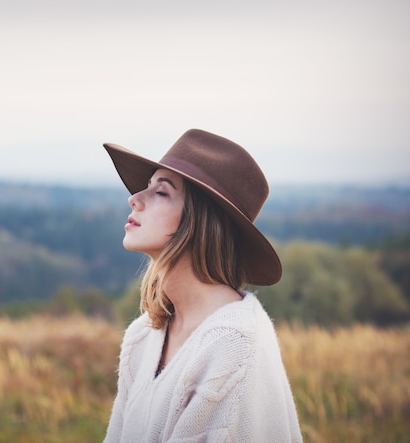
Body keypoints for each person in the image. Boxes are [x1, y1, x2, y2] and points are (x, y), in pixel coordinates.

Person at [102, 129, 302, 442]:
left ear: (199, 222)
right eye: (147, 186)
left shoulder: (232, 346)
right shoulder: (143, 337)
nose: (135, 199)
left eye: (161, 192)